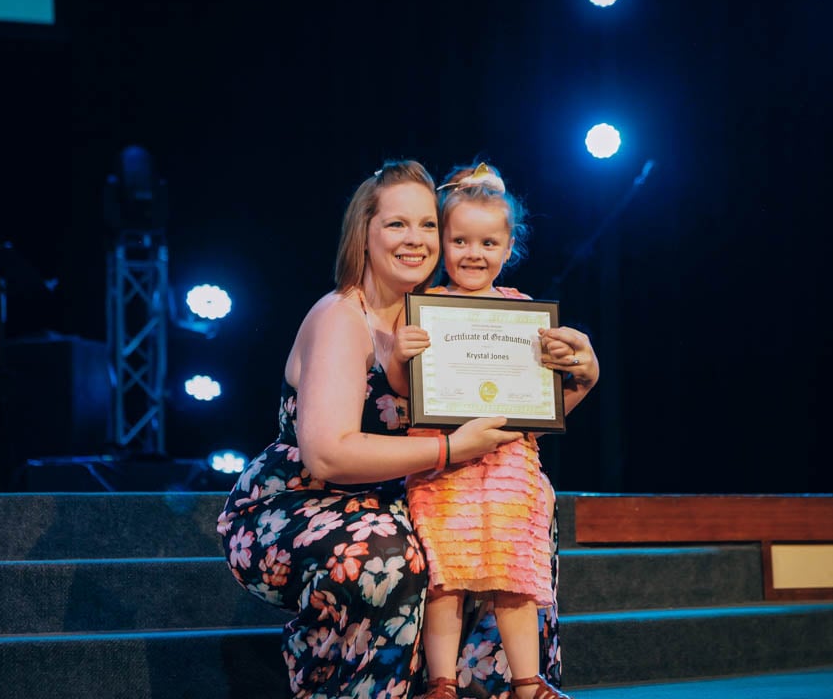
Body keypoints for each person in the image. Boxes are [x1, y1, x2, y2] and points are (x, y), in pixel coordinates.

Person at [217, 160, 595, 698]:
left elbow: (513, 420)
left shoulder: (446, 315)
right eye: (397, 224)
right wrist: (448, 449)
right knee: (390, 551)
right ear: (364, 232)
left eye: (426, 225)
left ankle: (508, 686)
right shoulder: (342, 317)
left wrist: (585, 373)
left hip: (404, 488)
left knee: (511, 507)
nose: (415, 239)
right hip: (308, 499)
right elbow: (327, 457)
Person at [389, 163, 599, 699]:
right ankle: (441, 684)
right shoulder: (424, 311)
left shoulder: (523, 312)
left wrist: (556, 360)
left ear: (509, 248)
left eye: (488, 242)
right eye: (460, 240)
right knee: (445, 580)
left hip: (510, 470)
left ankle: (529, 683)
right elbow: (404, 391)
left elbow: (541, 397)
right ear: (442, 242)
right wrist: (399, 357)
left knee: (516, 580)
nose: (473, 253)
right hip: (444, 469)